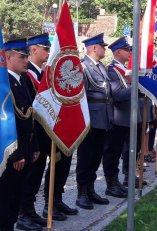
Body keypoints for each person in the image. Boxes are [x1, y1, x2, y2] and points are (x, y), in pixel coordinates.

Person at [16, 33, 78, 231]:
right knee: (32, 174)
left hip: (50, 132)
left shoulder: (45, 73)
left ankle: (43, 205)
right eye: (45, 49)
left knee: (50, 169)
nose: (49, 52)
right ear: (33, 49)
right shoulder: (27, 76)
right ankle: (24, 212)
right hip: (35, 134)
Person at [0, 38, 39, 231]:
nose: (26, 60)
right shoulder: (3, 83)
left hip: (26, 148)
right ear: (7, 57)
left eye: (26, 56)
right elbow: (5, 122)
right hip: (12, 154)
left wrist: (35, 146)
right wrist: (16, 154)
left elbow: (31, 115)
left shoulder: (23, 79)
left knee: (16, 197)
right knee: (6, 199)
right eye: (22, 56)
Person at [76, 33, 112, 209]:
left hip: (103, 118)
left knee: (96, 156)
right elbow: (81, 96)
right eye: (102, 46)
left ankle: (90, 189)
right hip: (89, 119)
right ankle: (81, 192)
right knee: (85, 157)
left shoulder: (101, 67)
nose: (105, 49)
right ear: (93, 48)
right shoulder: (82, 67)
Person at [102, 37, 132, 198]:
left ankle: (116, 182)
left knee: (120, 151)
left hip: (126, 118)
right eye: (127, 50)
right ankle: (111, 184)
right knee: (112, 153)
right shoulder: (112, 70)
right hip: (116, 117)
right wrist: (136, 86)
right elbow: (118, 95)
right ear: (118, 52)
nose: (130, 52)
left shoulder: (124, 69)